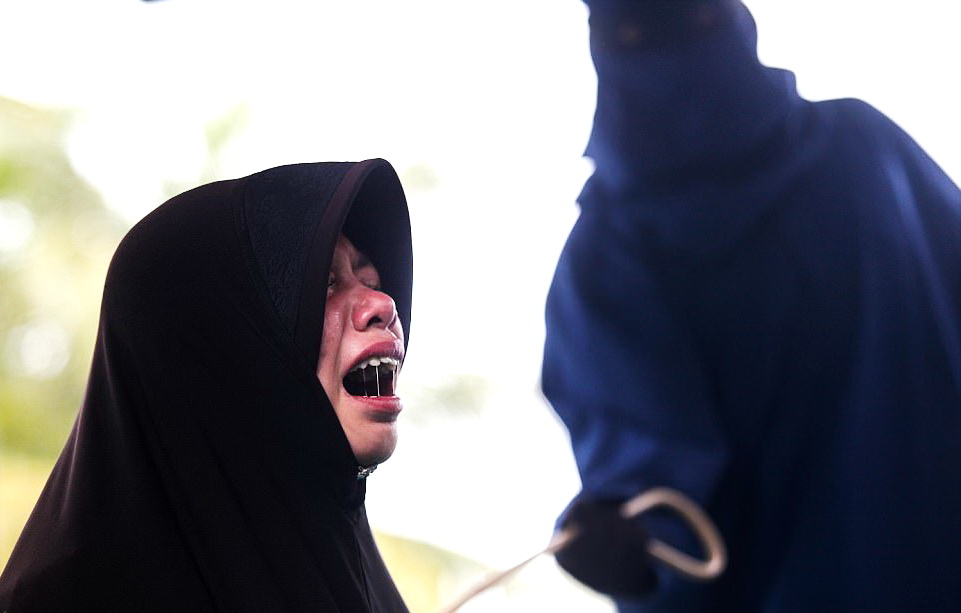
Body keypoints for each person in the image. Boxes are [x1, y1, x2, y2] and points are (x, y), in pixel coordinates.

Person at [543, 1, 961, 611]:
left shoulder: (866, 153)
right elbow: (661, 508)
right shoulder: (610, 262)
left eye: (699, 22)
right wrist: (626, 540)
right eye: (638, 34)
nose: (680, 61)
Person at [0, 159, 413, 612]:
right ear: (222, 346)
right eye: (326, 284)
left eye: (371, 280)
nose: (382, 303)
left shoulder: (365, 583)